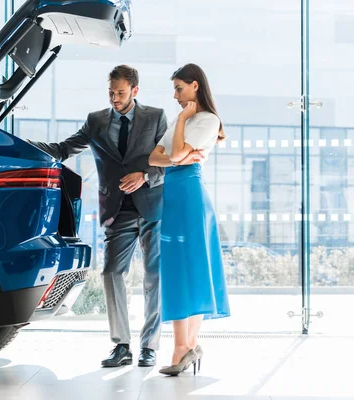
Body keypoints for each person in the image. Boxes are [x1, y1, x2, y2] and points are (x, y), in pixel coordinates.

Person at [29, 65, 201, 368]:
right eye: (111, 92)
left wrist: (144, 175)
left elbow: (170, 158)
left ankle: (150, 346)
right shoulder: (96, 121)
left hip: (152, 205)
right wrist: (26, 145)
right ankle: (121, 345)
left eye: (120, 93)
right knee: (111, 273)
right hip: (116, 210)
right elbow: (64, 148)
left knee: (154, 277)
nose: (114, 98)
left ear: (135, 90)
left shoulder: (155, 116)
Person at [148, 63, 231, 376]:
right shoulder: (181, 121)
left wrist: (182, 126)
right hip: (173, 195)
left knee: (191, 268)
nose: (175, 96)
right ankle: (186, 347)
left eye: (179, 88)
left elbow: (175, 155)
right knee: (177, 269)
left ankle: (184, 347)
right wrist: (177, 149)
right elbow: (155, 157)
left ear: (195, 86)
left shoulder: (208, 120)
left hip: (191, 199)